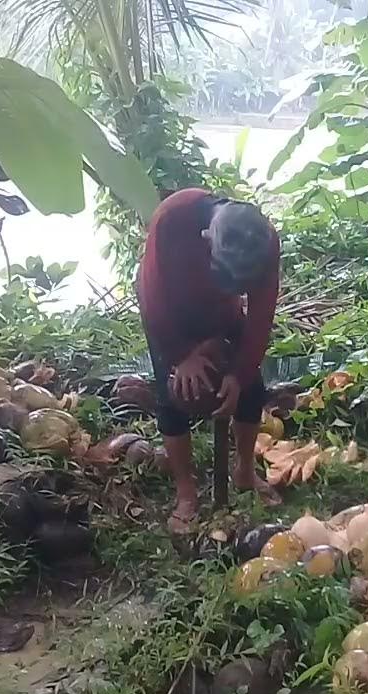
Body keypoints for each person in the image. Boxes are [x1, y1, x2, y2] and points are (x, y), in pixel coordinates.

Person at [137, 189, 283, 533]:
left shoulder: (264, 241)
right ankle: (186, 493)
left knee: (251, 388)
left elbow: (261, 316)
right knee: (173, 395)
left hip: (223, 312)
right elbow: (152, 295)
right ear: (207, 240)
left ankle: (245, 471)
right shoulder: (173, 219)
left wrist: (239, 373)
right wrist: (181, 356)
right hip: (170, 313)